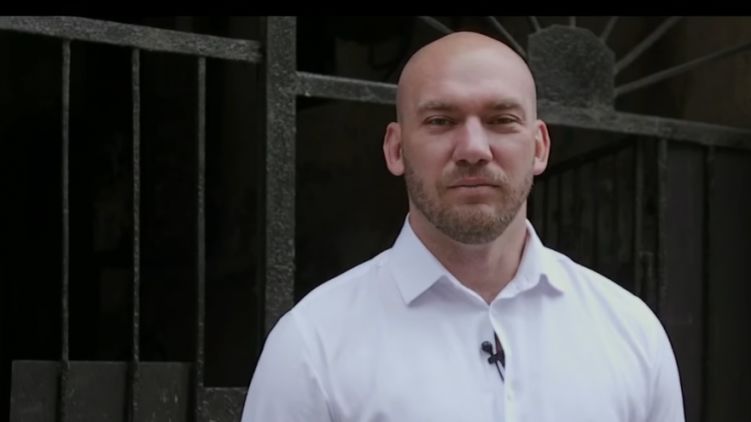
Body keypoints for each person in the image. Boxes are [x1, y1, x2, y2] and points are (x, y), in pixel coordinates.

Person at [240, 31, 685, 422]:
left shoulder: (632, 334)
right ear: (396, 149)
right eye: (441, 121)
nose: (474, 149)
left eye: (501, 120)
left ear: (539, 147)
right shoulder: (312, 346)